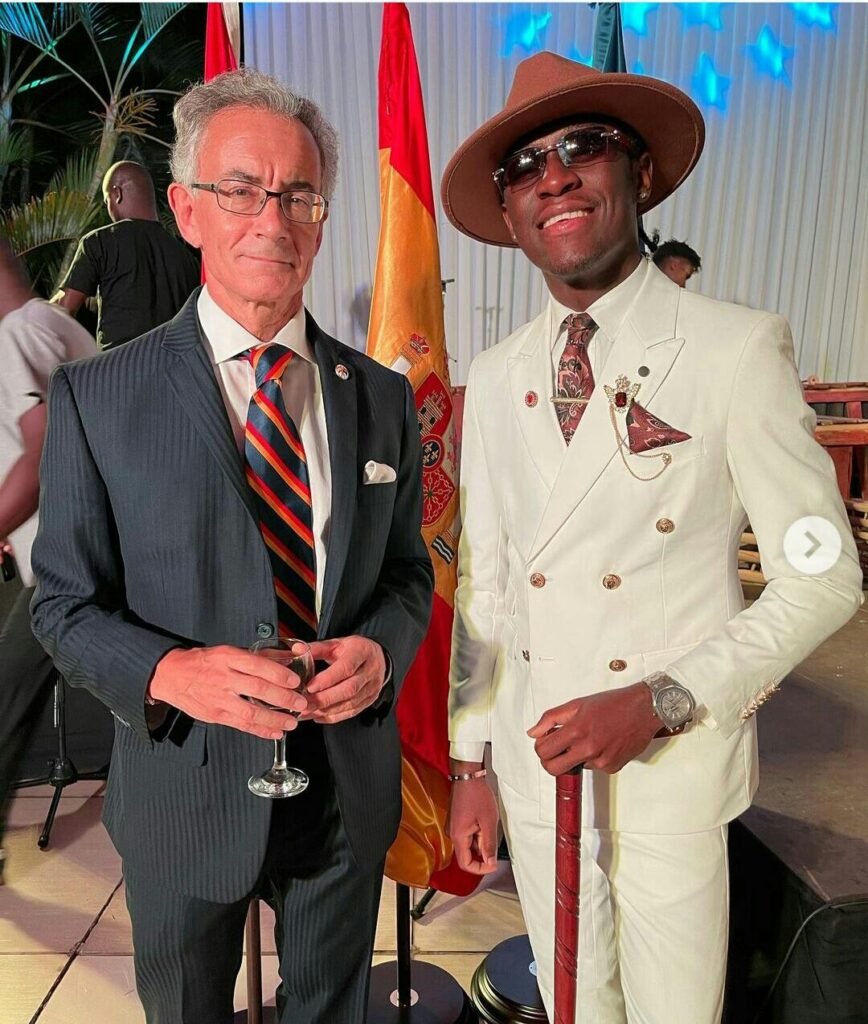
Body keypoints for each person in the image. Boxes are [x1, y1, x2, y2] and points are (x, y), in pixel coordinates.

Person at [441, 52, 862, 1023]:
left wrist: (663, 699)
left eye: (583, 146)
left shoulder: (734, 348)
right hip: (536, 771)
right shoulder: (496, 376)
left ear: (640, 171)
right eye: (525, 164)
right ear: (508, 210)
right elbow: (487, 586)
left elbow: (823, 574)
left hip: (669, 775)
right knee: (573, 1008)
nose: (554, 176)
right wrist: (471, 763)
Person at [31, 69, 433, 1024]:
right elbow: (63, 606)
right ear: (187, 210)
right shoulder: (100, 396)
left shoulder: (382, 396)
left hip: (342, 793)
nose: (272, 219)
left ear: (322, 218)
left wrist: (382, 653)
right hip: (186, 787)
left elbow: (408, 575)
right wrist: (169, 673)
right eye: (242, 189)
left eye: (299, 195)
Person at [0, 239, 96, 881]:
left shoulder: (16, 335)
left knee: (5, 696)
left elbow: (38, 454)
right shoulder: (60, 326)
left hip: (63, 564)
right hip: (87, 552)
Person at [52, 160, 200, 349]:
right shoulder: (186, 254)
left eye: (107, 201)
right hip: (175, 363)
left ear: (117, 193)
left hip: (119, 362)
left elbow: (65, 309)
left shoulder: (100, 241)